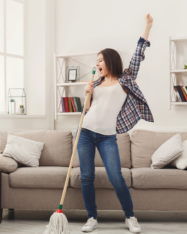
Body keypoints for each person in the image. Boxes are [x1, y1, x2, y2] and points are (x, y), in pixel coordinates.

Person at [76, 13, 154, 233]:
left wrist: (147, 26)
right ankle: (92, 217)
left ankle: (130, 216)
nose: (97, 63)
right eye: (96, 60)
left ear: (110, 61)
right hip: (84, 132)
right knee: (86, 177)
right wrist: (88, 93)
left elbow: (139, 54)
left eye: (100, 59)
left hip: (107, 136)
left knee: (116, 177)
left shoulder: (125, 79)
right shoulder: (95, 83)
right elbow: (87, 111)